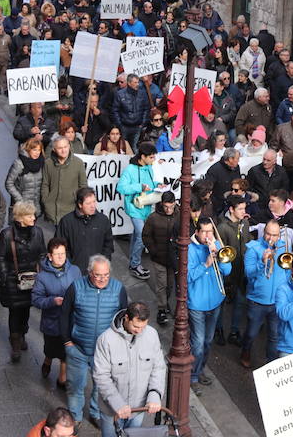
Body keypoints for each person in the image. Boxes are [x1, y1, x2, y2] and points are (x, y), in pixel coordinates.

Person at [61, 255, 128, 430]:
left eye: (106, 275)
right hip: (78, 349)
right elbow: (64, 315)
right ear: (90, 273)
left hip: (105, 352)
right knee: (75, 386)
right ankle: (75, 416)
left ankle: (96, 413)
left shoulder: (118, 289)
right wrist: (67, 342)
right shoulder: (76, 287)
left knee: (102, 388)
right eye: (98, 275)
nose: (102, 279)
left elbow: (122, 319)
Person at [92, 302, 166, 437]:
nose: (139, 331)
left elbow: (158, 368)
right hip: (111, 411)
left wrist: (155, 395)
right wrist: (118, 404)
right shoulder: (105, 340)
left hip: (138, 409)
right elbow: (101, 376)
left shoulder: (151, 335)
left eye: (143, 327)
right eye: (136, 326)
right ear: (126, 318)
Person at [0, 200, 47, 363]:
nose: (34, 218)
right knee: (14, 311)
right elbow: (1, 257)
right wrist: (4, 274)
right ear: (20, 218)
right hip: (13, 280)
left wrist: (42, 270)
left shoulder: (37, 232)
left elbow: (42, 253)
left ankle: (22, 334)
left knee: (25, 310)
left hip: (32, 279)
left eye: (33, 214)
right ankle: (15, 342)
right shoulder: (7, 234)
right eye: (29, 215)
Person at [188, 218, 232, 395]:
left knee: (207, 341)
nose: (208, 236)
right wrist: (205, 264)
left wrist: (219, 255)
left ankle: (199, 370)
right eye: (204, 232)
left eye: (210, 232)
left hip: (214, 301)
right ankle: (192, 376)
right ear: (197, 232)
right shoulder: (189, 249)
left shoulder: (217, 245)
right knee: (197, 343)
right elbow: (187, 277)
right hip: (197, 303)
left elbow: (227, 271)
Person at [33, 236, 82, 391]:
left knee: (65, 351)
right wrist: (53, 301)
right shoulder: (42, 277)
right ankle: (47, 360)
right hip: (52, 321)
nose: (61, 257)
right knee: (51, 349)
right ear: (49, 256)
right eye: (57, 254)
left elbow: (81, 290)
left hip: (70, 320)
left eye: (63, 253)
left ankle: (62, 378)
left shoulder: (75, 270)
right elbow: (36, 300)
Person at [239, 218, 289, 368]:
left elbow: (287, 272)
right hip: (257, 301)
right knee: (252, 333)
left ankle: (270, 365)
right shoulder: (253, 248)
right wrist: (262, 261)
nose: (271, 238)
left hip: (277, 301)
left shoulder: (283, 248)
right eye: (268, 234)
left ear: (279, 235)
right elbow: (249, 274)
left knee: (274, 336)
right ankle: (246, 350)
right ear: (263, 232)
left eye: (274, 235)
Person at [117, 142, 160, 280]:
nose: (153, 160)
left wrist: (159, 185)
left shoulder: (149, 168)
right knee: (142, 236)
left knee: (137, 236)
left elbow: (151, 184)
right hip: (134, 208)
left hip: (145, 207)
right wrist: (139, 187)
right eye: (151, 157)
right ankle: (135, 265)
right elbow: (121, 188)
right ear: (143, 156)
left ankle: (133, 263)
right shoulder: (130, 169)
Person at [142, 192, 181, 326]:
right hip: (159, 257)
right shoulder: (153, 218)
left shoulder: (180, 215)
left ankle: (165, 303)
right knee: (161, 285)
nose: (168, 210)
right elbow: (146, 236)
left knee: (170, 284)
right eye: (165, 207)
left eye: (171, 206)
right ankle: (162, 309)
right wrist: (154, 251)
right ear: (161, 204)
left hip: (173, 258)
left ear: (175, 203)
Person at [41, 135, 89, 224]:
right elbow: (45, 184)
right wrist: (46, 201)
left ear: (69, 146)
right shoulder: (48, 163)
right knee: (57, 237)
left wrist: (79, 204)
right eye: (60, 148)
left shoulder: (78, 163)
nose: (63, 150)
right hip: (52, 210)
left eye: (65, 147)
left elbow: (83, 186)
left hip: (72, 209)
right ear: (54, 149)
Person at [5, 138, 46, 216]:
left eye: (39, 150)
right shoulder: (19, 164)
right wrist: (20, 200)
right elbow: (9, 183)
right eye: (34, 150)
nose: (37, 153)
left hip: (36, 205)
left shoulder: (42, 163)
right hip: (22, 206)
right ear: (28, 149)